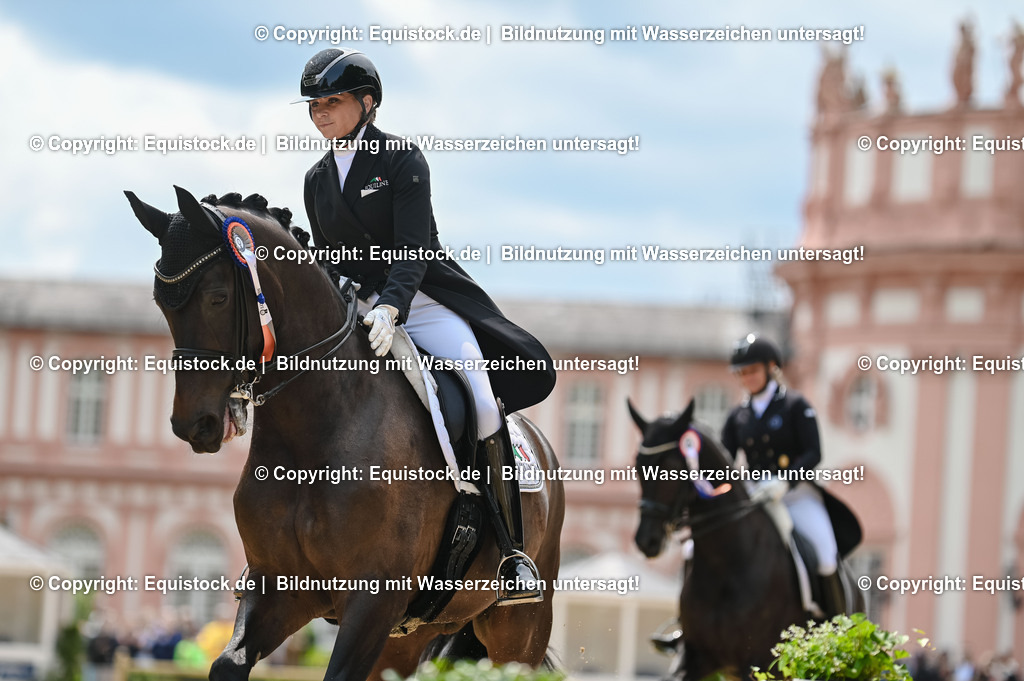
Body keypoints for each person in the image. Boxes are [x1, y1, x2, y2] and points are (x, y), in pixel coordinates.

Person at [296, 48, 556, 604]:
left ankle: (510, 553)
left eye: (331, 102)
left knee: (484, 404)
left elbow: (414, 247)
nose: (320, 112)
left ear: (367, 104)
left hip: (423, 303)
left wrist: (392, 306)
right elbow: (327, 257)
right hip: (357, 310)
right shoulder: (316, 180)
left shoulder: (402, 160)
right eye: (314, 104)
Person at [721, 333, 846, 618]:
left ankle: (837, 627)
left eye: (752, 370)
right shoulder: (737, 416)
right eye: (742, 373)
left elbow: (814, 452)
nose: (747, 377)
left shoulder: (795, 405)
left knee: (826, 553)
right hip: (755, 496)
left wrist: (785, 480)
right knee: (701, 544)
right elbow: (725, 461)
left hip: (794, 495)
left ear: (771, 367)